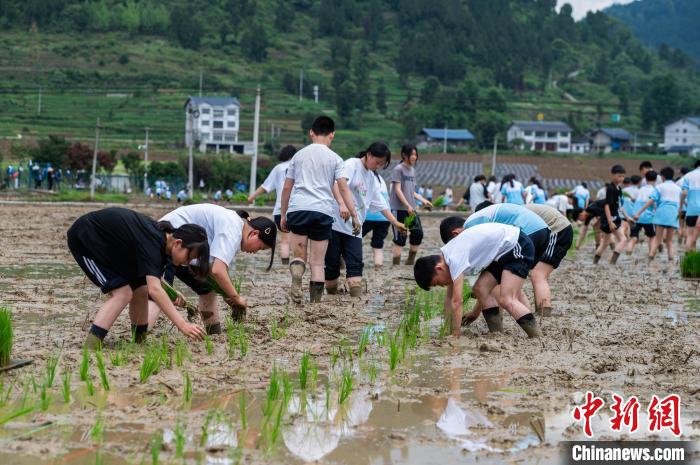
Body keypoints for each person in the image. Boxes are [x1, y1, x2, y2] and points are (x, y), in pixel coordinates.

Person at [66, 207, 209, 348]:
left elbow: (153, 282)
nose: (187, 262)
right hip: (86, 237)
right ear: (178, 243)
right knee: (123, 293)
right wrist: (182, 325)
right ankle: (91, 346)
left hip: (112, 247)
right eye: (189, 256)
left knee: (141, 289)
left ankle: (139, 342)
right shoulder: (153, 243)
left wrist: (171, 292)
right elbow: (155, 289)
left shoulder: (161, 243)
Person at [149, 204, 276, 333]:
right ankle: (139, 337)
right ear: (254, 234)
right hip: (173, 242)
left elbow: (211, 269)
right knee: (159, 292)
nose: (256, 252)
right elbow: (218, 270)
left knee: (207, 288)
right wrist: (236, 298)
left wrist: (226, 293)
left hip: (189, 250)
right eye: (260, 247)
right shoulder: (234, 229)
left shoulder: (233, 226)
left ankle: (213, 333)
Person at [280, 116, 360, 303]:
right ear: (332, 135)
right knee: (317, 262)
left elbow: (286, 188)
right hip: (322, 211)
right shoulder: (336, 159)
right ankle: (314, 304)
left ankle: (297, 278)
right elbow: (343, 188)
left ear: (311, 133)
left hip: (298, 208)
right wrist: (354, 215)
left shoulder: (298, 156)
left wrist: (283, 215)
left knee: (298, 255)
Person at [414, 223, 541, 338]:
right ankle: (497, 333)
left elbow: (457, 301)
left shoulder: (454, 257)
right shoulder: (449, 256)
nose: (442, 285)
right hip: (501, 254)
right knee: (480, 289)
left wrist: (456, 335)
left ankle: (537, 337)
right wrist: (446, 330)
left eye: (438, 283)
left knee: (507, 298)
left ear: (439, 268)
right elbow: (449, 299)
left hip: (517, 244)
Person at [439, 201, 553, 318]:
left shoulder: (470, 226)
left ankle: (501, 319)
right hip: (542, 232)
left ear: (456, 233)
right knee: (509, 282)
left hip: (528, 231)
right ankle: (527, 318)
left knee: (501, 285)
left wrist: (475, 312)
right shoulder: (475, 222)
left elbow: (489, 269)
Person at [325, 142, 407, 297]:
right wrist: (342, 205)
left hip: (355, 226)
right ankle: (331, 298)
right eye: (377, 162)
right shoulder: (351, 165)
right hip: (335, 224)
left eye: (382, 165)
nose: (378, 166)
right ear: (368, 154)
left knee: (356, 264)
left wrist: (395, 222)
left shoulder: (371, 177)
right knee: (332, 266)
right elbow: (337, 185)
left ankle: (355, 303)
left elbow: (379, 203)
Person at [248, 145, 298, 264]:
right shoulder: (299, 167)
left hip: (280, 209)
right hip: (297, 209)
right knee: (297, 240)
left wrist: (252, 197)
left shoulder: (278, 168)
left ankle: (284, 264)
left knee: (284, 240)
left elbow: (266, 187)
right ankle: (297, 265)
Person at [389, 144, 432, 266]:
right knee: (400, 238)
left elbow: (411, 190)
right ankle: (396, 265)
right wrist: (407, 205)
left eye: (415, 154)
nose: (414, 157)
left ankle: (410, 262)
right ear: (404, 155)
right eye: (411, 154)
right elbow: (397, 189)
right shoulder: (398, 169)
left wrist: (422, 199)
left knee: (418, 233)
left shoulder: (413, 170)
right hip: (399, 209)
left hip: (410, 209)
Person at [635, 166, 681, 261]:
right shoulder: (678, 188)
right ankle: (671, 260)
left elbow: (651, 201)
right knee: (669, 241)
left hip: (661, 214)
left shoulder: (659, 187)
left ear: (663, 177)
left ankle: (650, 259)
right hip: (673, 215)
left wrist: (639, 212)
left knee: (657, 240)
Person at [593, 165, 628, 265]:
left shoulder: (619, 189)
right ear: (613, 175)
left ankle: (595, 262)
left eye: (623, 176)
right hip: (610, 218)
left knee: (605, 243)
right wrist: (610, 221)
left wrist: (627, 217)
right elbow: (607, 205)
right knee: (623, 239)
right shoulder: (610, 188)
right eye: (619, 176)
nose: (621, 178)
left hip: (613, 217)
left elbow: (619, 205)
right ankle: (612, 263)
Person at [362, 173, 391, 268]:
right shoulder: (381, 179)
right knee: (378, 244)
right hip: (385, 217)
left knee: (354, 238)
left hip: (369, 216)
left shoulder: (366, 176)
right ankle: (378, 265)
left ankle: (347, 260)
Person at [625, 171, 657, 256]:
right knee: (652, 237)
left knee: (633, 238)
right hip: (648, 218)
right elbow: (654, 205)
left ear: (645, 179)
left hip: (636, 217)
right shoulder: (654, 190)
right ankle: (651, 256)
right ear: (656, 179)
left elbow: (633, 200)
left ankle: (628, 255)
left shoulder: (640, 190)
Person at [682, 160, 700, 252]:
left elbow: (684, 193)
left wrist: (682, 204)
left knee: (689, 235)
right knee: (695, 236)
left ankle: (688, 257)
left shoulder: (688, 175)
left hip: (691, 210)